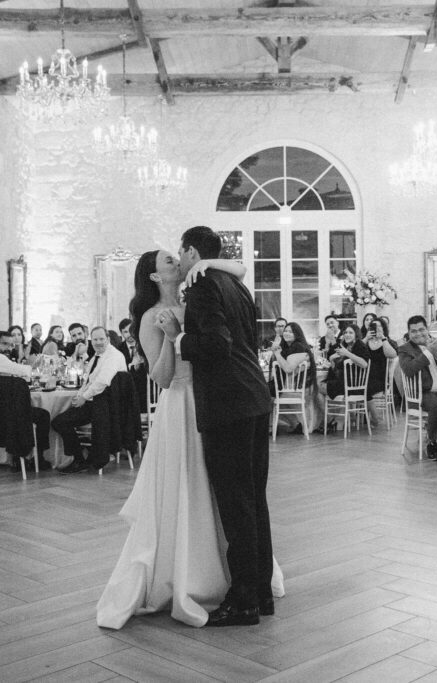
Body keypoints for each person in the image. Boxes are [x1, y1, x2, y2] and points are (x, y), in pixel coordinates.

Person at [159, 225, 278, 627]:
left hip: (228, 403)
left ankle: (243, 599)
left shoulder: (203, 285)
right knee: (254, 499)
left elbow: (215, 344)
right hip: (255, 398)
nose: (180, 258)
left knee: (236, 504)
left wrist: (179, 341)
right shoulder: (235, 283)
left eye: (181, 250)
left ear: (191, 252)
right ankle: (261, 593)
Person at [0, 330, 52, 471]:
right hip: (5, 415)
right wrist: (36, 364)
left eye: (11, 345)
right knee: (43, 415)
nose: (9, 348)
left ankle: (16, 457)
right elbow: (23, 371)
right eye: (5, 344)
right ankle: (37, 458)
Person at [53, 326, 128, 473]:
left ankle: (80, 459)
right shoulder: (97, 356)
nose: (98, 342)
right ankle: (80, 457)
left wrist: (84, 397)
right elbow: (88, 381)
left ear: (108, 339)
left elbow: (102, 381)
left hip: (108, 407)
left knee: (61, 422)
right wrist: (80, 394)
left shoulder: (113, 356)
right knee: (59, 422)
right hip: (95, 403)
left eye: (101, 339)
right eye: (95, 339)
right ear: (91, 340)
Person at [397, 315, 437, 461]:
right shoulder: (405, 349)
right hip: (421, 393)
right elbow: (409, 369)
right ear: (409, 333)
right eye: (414, 331)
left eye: (421, 329)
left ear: (427, 329)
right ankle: (431, 442)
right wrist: (428, 352)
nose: (418, 334)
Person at [270, 321, 316, 435]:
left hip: (294, 387)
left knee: (261, 393)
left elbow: (288, 369)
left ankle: (269, 426)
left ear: (297, 334)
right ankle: (288, 424)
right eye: (285, 331)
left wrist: (277, 354)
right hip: (287, 385)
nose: (286, 333)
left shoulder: (298, 346)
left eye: (290, 331)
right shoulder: (288, 347)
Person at [319, 323, 369, 403]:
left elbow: (364, 364)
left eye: (350, 333)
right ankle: (341, 414)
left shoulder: (359, 345)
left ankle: (327, 414)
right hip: (345, 383)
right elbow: (337, 364)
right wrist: (332, 358)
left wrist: (347, 354)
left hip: (353, 386)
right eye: (345, 332)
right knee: (318, 386)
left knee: (316, 387)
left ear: (356, 334)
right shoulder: (347, 346)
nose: (347, 335)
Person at [363, 317, 398, 426]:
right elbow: (356, 351)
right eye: (373, 326)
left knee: (364, 388)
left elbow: (392, 354)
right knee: (359, 385)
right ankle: (370, 416)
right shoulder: (366, 341)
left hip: (380, 378)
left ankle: (375, 417)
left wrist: (383, 338)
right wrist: (365, 338)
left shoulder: (387, 341)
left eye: (379, 326)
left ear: (383, 328)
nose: (376, 328)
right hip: (365, 376)